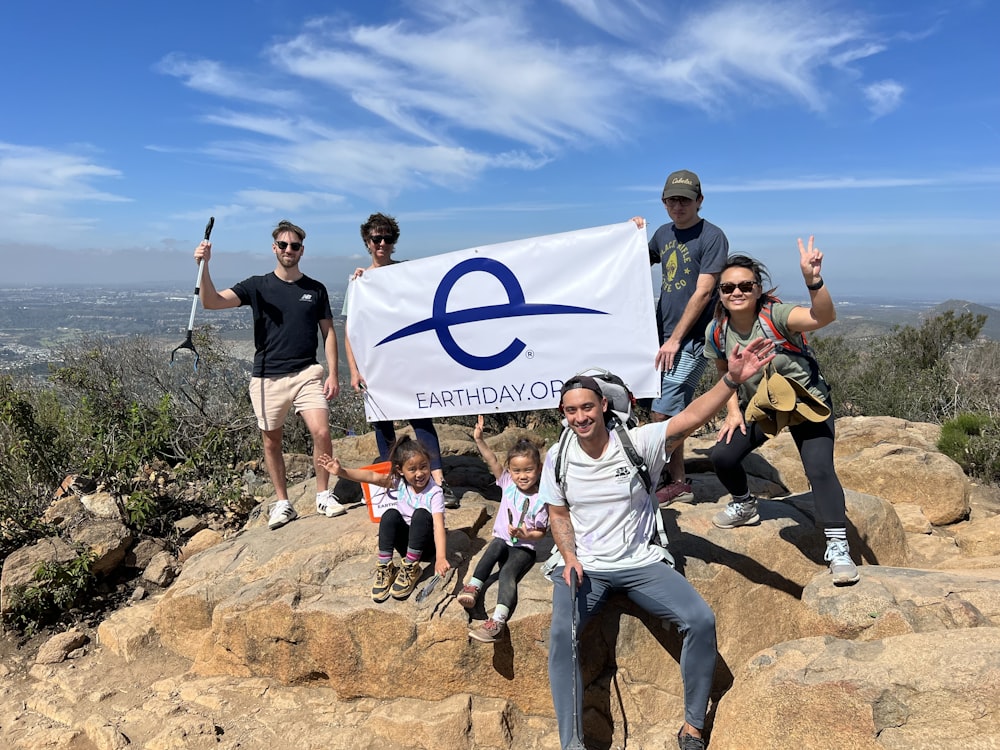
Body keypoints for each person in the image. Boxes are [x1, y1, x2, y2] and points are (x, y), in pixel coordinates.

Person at [542, 337, 777, 750]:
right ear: (564, 415)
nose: (580, 417)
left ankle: (692, 727)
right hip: (586, 567)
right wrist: (569, 556)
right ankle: (572, 744)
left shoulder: (639, 442)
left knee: (700, 620)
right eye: (571, 410)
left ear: (603, 406)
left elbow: (688, 417)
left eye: (587, 407)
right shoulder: (558, 456)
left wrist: (730, 380)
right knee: (562, 637)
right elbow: (558, 515)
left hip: (640, 562)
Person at [705, 238, 860, 585]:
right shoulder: (717, 330)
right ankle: (745, 504)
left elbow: (824, 316)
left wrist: (813, 280)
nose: (737, 292)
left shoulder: (774, 315)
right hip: (764, 405)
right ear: (720, 293)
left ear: (758, 289)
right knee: (723, 455)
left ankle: (837, 546)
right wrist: (732, 411)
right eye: (728, 287)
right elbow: (722, 370)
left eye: (746, 285)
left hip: (805, 401)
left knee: (819, 470)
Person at [194, 219, 345, 531]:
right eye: (284, 245)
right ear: (275, 248)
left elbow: (328, 333)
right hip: (267, 377)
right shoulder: (257, 286)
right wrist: (204, 266)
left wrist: (332, 372)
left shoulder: (315, 289)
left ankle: (323, 494)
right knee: (271, 442)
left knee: (321, 432)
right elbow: (211, 302)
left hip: (306, 372)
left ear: (302, 250)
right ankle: (282, 502)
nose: (289, 250)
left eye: (295, 246)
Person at [342, 212, 459, 509]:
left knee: (422, 418)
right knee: (383, 424)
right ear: (367, 242)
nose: (381, 243)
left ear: (393, 242)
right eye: (375, 238)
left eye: (387, 238)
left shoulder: (408, 272)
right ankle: (393, 485)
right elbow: (351, 330)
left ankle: (438, 483)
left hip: (409, 361)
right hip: (376, 365)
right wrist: (353, 370)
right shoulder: (359, 282)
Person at [632, 170, 729, 507]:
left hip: (692, 340)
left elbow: (704, 292)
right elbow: (633, 262)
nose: (678, 205)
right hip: (662, 335)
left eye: (685, 199)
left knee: (662, 413)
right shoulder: (662, 233)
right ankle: (677, 481)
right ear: (664, 202)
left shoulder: (712, 236)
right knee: (665, 411)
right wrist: (628, 236)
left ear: (699, 201)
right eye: (672, 199)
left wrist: (674, 338)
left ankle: (661, 480)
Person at [318, 437, 450, 601]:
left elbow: (438, 526)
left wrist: (441, 558)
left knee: (421, 514)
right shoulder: (400, 483)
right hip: (406, 545)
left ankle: (411, 568)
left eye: (424, 467)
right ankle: (386, 568)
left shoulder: (434, 493)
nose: (420, 473)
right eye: (412, 469)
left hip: (426, 546)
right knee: (390, 514)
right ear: (400, 470)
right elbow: (370, 476)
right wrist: (341, 472)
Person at [457, 416, 548, 643]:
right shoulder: (507, 484)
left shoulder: (540, 499)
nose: (522, 475)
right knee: (493, 546)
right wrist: (479, 440)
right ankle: (474, 587)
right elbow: (491, 461)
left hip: (524, 549)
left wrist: (526, 535)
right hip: (503, 541)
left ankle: (497, 621)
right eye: (517, 470)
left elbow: (541, 533)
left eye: (528, 470)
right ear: (510, 470)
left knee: (508, 573)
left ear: (539, 469)